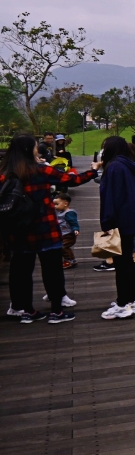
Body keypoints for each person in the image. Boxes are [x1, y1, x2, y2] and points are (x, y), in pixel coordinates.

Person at [1, 134, 99, 324]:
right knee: (52, 270)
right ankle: (56, 312)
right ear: (30, 150)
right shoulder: (40, 170)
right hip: (45, 228)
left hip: (18, 229)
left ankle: (26, 310)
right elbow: (72, 180)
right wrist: (93, 171)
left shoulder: (4, 172)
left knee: (21, 272)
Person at [97, 136, 135, 320]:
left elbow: (111, 197)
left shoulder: (115, 167)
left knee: (121, 263)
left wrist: (107, 223)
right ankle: (131, 300)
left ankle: (123, 304)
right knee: (128, 263)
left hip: (119, 220)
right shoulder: (128, 164)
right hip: (131, 218)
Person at [54, 193, 80, 269]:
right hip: (64, 234)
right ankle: (72, 260)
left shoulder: (69, 213)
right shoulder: (61, 213)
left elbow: (73, 222)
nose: (55, 206)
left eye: (57, 204)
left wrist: (76, 229)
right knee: (65, 247)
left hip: (69, 234)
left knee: (63, 247)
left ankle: (68, 261)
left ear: (65, 203)